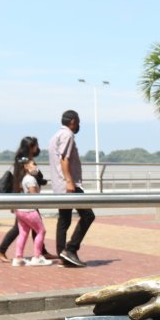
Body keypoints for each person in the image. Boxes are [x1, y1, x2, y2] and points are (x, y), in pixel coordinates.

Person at [0, 136, 54, 263]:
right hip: (27, 198)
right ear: (31, 147)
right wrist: (40, 178)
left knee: (28, 227)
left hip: (21, 198)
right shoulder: (26, 161)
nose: (38, 148)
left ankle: (40, 252)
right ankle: (2, 250)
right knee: (33, 228)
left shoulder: (20, 159)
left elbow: (19, 181)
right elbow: (29, 178)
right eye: (36, 146)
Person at [49, 110, 94, 268]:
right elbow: (64, 159)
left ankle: (63, 255)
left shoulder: (55, 136)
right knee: (88, 215)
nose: (79, 125)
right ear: (73, 121)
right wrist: (69, 182)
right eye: (79, 121)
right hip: (69, 185)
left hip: (58, 185)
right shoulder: (68, 135)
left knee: (64, 220)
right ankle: (71, 249)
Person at [10, 157, 53, 267]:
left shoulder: (25, 178)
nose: (35, 166)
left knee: (23, 233)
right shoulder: (30, 179)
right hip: (29, 210)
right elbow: (35, 196)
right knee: (41, 231)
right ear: (26, 167)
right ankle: (37, 257)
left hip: (20, 210)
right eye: (33, 164)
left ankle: (18, 258)